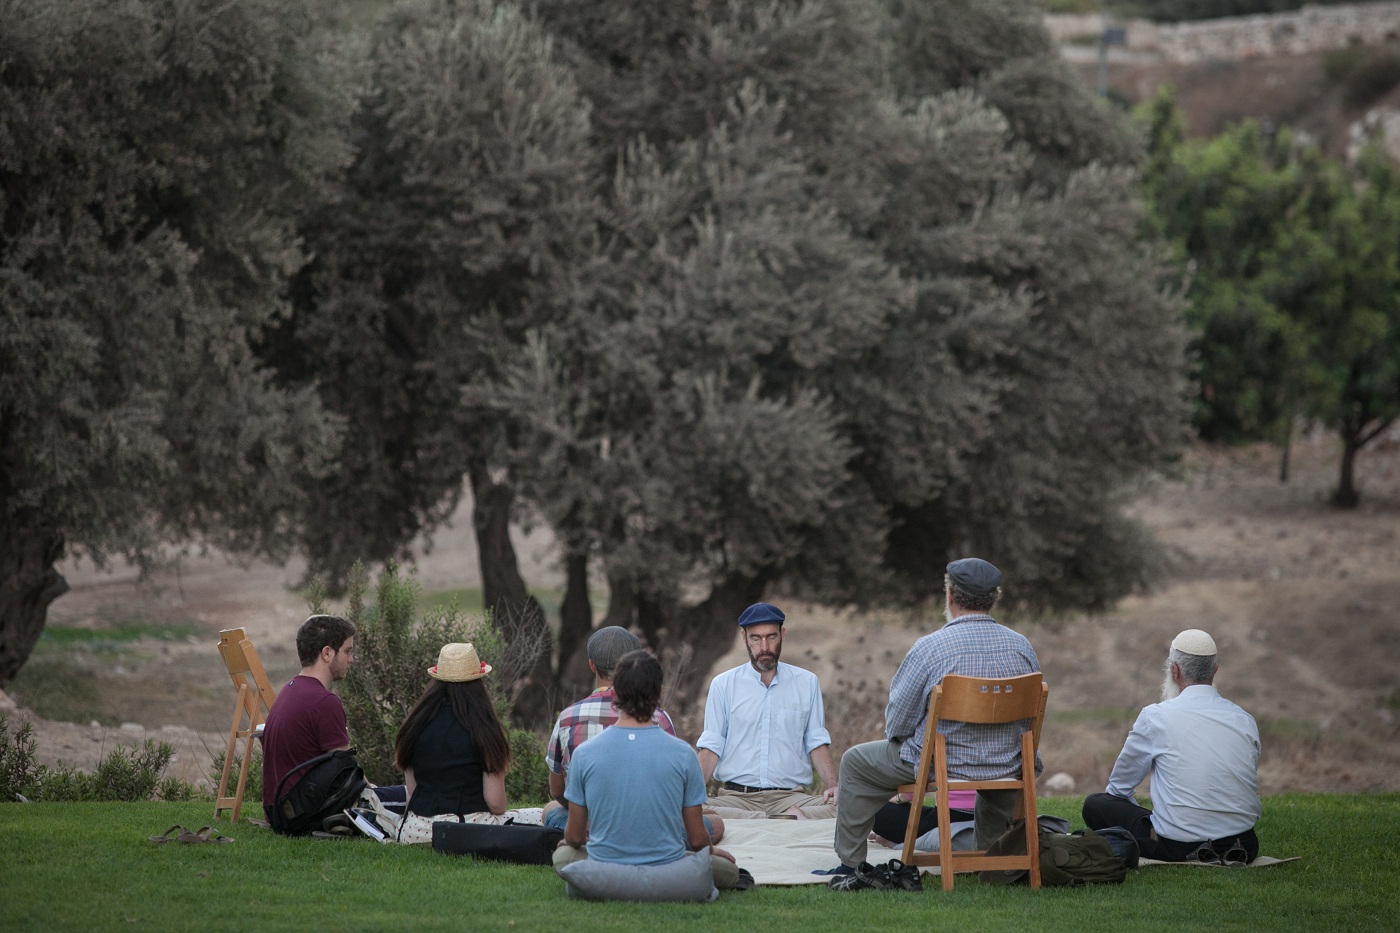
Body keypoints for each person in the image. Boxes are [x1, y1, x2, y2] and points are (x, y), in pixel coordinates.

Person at [824, 558, 1040, 890]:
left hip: (941, 765)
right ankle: (995, 861)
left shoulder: (930, 649)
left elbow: (897, 723)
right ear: (994, 597)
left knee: (855, 762)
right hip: (1007, 765)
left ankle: (851, 865)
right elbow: (1028, 718)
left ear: (950, 596)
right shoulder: (1022, 647)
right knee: (995, 775)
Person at [553, 649, 740, 891]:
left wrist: (579, 843)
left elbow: (575, 837)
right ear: (659, 692)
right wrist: (711, 851)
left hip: (606, 867)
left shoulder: (585, 754)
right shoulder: (683, 754)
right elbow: (696, 840)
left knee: (563, 854)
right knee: (729, 870)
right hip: (670, 871)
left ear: (615, 693)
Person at [1082, 629, 1262, 864]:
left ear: (1174, 671)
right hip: (1244, 844)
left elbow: (1119, 789)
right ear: (1215, 670)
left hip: (1178, 846)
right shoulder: (1244, 719)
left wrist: (1151, 818)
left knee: (1096, 805)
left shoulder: (1155, 717)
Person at [542, 627, 725, 841]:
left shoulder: (567, 718)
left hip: (590, 829)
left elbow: (558, 791)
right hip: (652, 831)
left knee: (550, 808)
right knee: (715, 822)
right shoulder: (659, 718)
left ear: (592, 664)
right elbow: (673, 790)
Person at [697, 602, 839, 820]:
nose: (764, 646)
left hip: (791, 798)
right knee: (691, 810)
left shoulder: (807, 682)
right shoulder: (723, 685)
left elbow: (816, 742)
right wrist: (691, 795)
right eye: (756, 638)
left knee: (846, 806)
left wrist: (832, 785)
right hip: (736, 798)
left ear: (782, 634)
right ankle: (778, 820)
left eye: (771, 637)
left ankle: (771, 819)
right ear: (744, 637)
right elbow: (711, 746)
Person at [390, 642, 534, 844]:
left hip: (413, 831)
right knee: (542, 815)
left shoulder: (414, 725)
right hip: (466, 829)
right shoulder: (484, 729)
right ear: (478, 682)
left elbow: (414, 793)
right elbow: (496, 805)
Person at [261, 614, 357, 818]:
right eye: (347, 651)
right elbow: (347, 776)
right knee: (399, 797)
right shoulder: (323, 702)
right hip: (300, 815)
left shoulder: (289, 689)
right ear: (327, 653)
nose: (351, 659)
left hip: (278, 811)